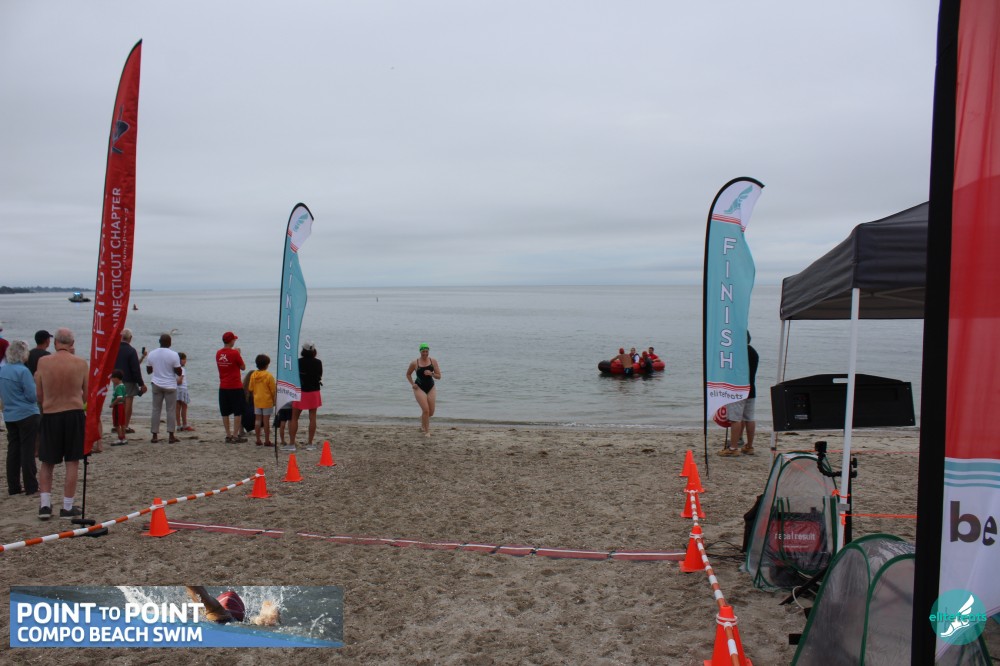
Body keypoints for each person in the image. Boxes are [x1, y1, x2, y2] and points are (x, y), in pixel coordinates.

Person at [33, 327, 88, 520]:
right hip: (73, 413)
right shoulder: (81, 363)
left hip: (51, 413)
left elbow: (39, 394)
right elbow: (86, 394)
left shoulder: (43, 362)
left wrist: (48, 402)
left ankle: (45, 505)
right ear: (72, 343)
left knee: (47, 462)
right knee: (72, 461)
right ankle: (67, 506)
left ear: (55, 342)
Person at [0, 340, 40, 497]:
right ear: (23, 354)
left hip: (10, 414)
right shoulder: (23, 371)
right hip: (26, 413)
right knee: (27, 450)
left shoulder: (3, 370)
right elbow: (32, 396)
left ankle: (14, 486)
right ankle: (31, 486)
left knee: (13, 450)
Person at [718, 332, 760, 457]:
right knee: (749, 418)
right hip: (751, 389)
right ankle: (749, 446)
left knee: (735, 419)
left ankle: (733, 448)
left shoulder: (736, 353)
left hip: (737, 389)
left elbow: (730, 371)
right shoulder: (753, 352)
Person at [146, 333, 182, 444]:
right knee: (170, 410)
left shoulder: (152, 354)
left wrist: (157, 368)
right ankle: (171, 435)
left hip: (156, 383)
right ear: (170, 343)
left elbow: (148, 371)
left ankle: (154, 435)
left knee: (156, 409)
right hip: (170, 384)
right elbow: (178, 371)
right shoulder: (174, 355)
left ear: (159, 342)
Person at [184, 586, 280, 626]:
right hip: (231, 616)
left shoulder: (218, 608)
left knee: (203, 599)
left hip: (221, 614)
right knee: (257, 620)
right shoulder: (243, 617)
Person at [288, 342, 323, 451]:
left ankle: (292, 444)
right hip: (313, 391)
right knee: (312, 418)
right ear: (313, 351)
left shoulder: (297, 362)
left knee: (294, 418)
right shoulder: (318, 362)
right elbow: (320, 375)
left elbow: (293, 376)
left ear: (303, 350)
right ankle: (310, 444)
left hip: (300, 392)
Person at [114, 329, 147, 435]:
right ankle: (125, 425)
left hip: (116, 379)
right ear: (130, 338)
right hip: (128, 379)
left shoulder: (115, 349)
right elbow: (135, 369)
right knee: (128, 402)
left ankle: (117, 424)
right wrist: (141, 383)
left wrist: (142, 357)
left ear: (121, 337)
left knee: (119, 402)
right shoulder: (131, 351)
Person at [216, 331, 247, 444]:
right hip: (235, 386)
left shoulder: (218, 353)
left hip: (223, 386)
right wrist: (238, 353)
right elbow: (243, 367)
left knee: (225, 412)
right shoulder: (235, 353)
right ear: (231, 341)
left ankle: (228, 435)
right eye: (234, 339)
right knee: (237, 412)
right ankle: (235, 435)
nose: (235, 341)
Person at [406, 343, 441, 437]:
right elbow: (408, 374)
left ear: (428, 351)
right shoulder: (415, 363)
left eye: (426, 351)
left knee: (431, 412)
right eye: (423, 351)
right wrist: (412, 384)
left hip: (431, 387)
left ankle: (423, 421)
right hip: (419, 388)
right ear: (420, 351)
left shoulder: (433, 361)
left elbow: (439, 376)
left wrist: (431, 374)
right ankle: (427, 431)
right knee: (426, 410)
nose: (425, 353)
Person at [248, 354, 276, 447]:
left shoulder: (253, 375)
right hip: (267, 401)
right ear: (266, 365)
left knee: (257, 420)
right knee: (266, 421)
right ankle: (267, 440)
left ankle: (258, 439)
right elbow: (273, 390)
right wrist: (274, 400)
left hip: (257, 400)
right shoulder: (269, 375)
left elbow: (250, 388)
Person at [175, 352, 193, 432]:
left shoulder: (174, 369)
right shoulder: (181, 369)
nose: (185, 361)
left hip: (175, 389)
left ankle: (178, 425)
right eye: (184, 359)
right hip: (182, 389)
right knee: (184, 407)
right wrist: (178, 382)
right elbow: (180, 381)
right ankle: (185, 424)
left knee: (177, 407)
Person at [109, 369, 127, 446]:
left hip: (117, 406)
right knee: (122, 422)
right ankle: (124, 437)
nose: (111, 380)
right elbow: (125, 397)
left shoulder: (118, 387)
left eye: (112, 378)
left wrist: (113, 404)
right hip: (122, 406)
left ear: (116, 378)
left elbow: (119, 397)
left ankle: (120, 438)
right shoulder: (123, 386)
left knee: (117, 423)